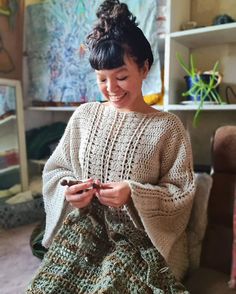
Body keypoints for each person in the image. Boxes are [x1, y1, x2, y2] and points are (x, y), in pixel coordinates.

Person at [27, 0, 195, 293]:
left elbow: (181, 193)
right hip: (85, 230)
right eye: (102, 79)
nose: (111, 88)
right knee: (50, 285)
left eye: (121, 77)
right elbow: (56, 170)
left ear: (144, 68)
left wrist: (133, 193)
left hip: (138, 240)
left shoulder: (168, 127)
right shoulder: (85, 115)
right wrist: (69, 192)